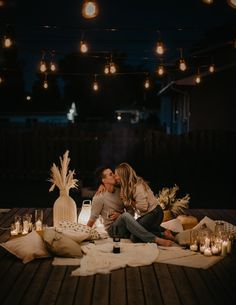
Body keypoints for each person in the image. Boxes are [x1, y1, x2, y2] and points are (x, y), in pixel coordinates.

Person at [87, 166, 173, 247]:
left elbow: (130, 212)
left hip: (126, 225)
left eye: (113, 173)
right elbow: (92, 218)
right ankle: (156, 240)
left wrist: (121, 215)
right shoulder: (99, 197)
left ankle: (163, 234)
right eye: (110, 174)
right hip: (113, 229)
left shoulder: (121, 191)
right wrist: (84, 234)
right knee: (126, 217)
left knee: (134, 236)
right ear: (104, 180)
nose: (114, 175)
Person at [114, 162, 175, 241]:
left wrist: (129, 200)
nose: (115, 178)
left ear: (122, 176)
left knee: (134, 236)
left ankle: (162, 235)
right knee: (132, 229)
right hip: (147, 215)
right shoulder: (125, 187)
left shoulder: (137, 187)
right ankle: (167, 232)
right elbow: (128, 206)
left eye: (116, 175)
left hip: (155, 213)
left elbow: (143, 207)